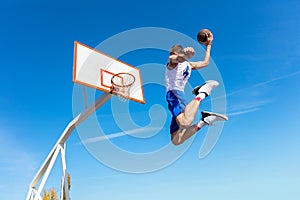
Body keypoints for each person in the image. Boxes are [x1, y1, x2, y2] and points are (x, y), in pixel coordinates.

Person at [165, 32, 228, 145]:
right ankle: (205, 121)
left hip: (174, 94)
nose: (170, 55)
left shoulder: (175, 61)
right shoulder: (182, 63)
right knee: (176, 140)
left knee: (184, 123)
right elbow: (204, 62)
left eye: (171, 53)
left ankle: (203, 92)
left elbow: (203, 63)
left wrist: (207, 46)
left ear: (174, 52)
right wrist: (208, 45)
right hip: (178, 95)